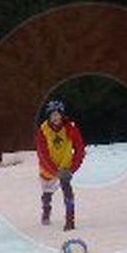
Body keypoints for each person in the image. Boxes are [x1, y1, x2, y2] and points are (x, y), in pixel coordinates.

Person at [36, 99, 86, 231]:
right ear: (48, 117)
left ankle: (70, 220)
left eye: (57, 114)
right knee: (47, 193)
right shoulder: (43, 130)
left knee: (68, 191)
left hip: (65, 167)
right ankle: (46, 210)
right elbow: (42, 153)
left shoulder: (71, 128)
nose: (55, 118)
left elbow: (80, 149)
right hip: (48, 167)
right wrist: (54, 170)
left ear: (62, 115)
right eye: (52, 115)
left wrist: (72, 169)